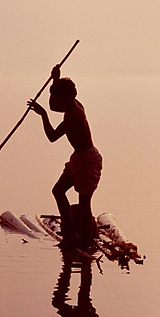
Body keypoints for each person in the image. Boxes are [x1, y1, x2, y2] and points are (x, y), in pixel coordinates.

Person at [27, 65, 102, 251]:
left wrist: (43, 115)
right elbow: (55, 106)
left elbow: (52, 136)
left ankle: (84, 242)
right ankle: (70, 233)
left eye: (60, 96)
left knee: (84, 204)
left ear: (69, 97)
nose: (57, 101)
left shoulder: (74, 115)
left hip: (89, 161)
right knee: (58, 191)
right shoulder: (72, 105)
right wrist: (55, 80)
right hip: (79, 158)